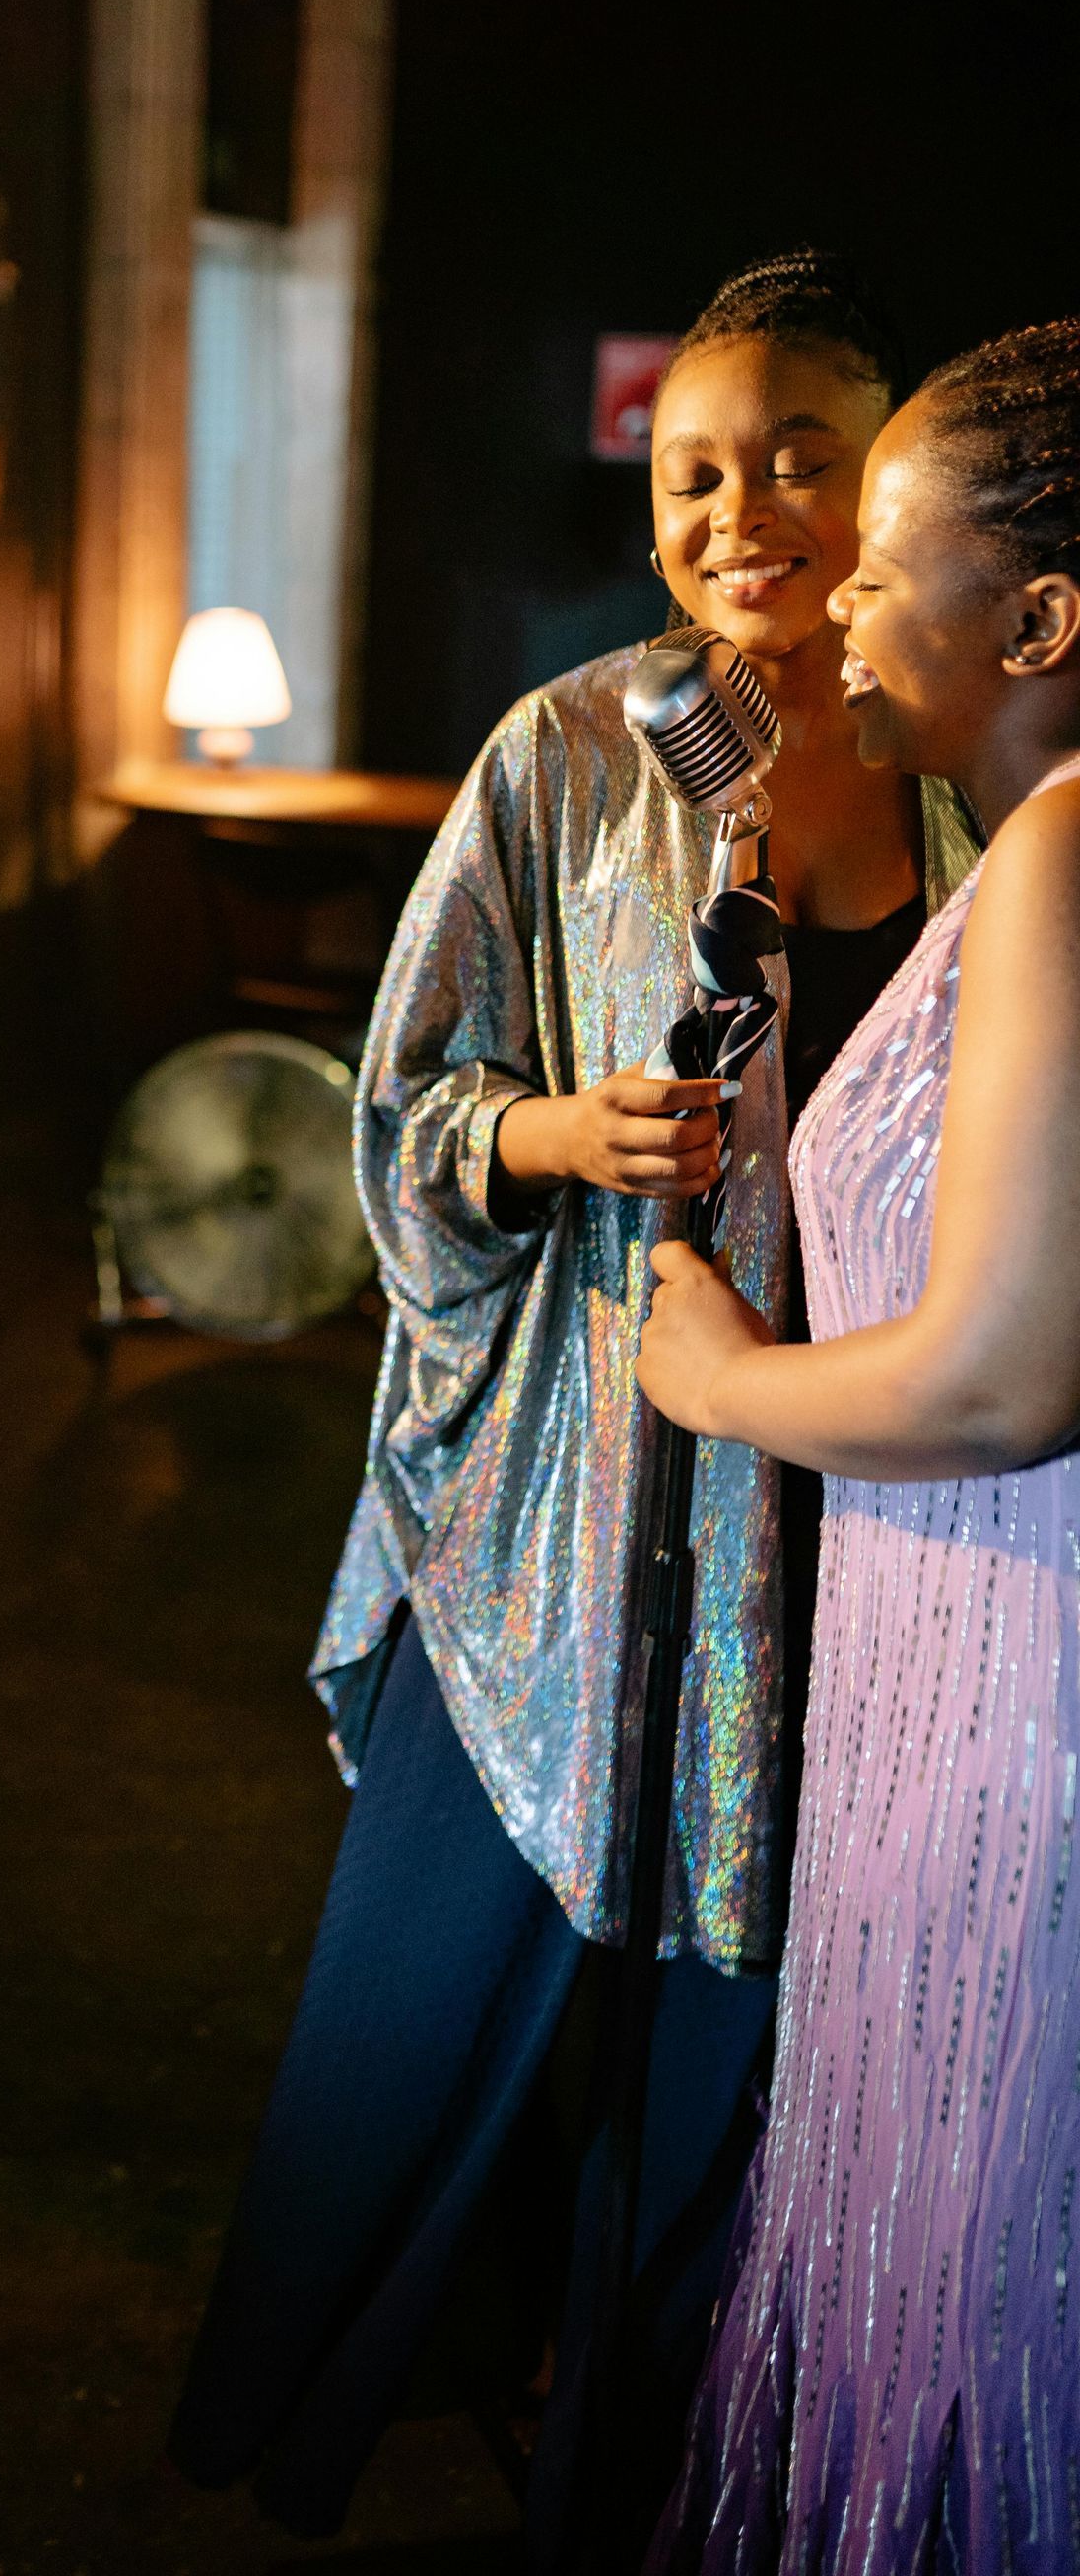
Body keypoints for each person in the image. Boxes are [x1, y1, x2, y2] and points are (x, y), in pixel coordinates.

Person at [167, 252, 981, 2565]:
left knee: (750, 2037)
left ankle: (646, 2444)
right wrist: (554, 1138)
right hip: (574, 1498)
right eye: (693, 471)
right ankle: (350, 2385)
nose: (745, 508)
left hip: (849, 1493)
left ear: (890, 472)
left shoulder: (962, 788)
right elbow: (396, 1111)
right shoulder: (572, 760)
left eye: (798, 456)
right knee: (448, 1996)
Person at [638, 321, 1080, 2570]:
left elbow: (1008, 1376)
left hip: (1024, 1680)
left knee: (988, 2274)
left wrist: (712, 1377)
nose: (829, 598)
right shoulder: (1010, 847)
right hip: (960, 1642)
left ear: (1039, 620)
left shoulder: (1070, 853)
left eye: (884, 554)